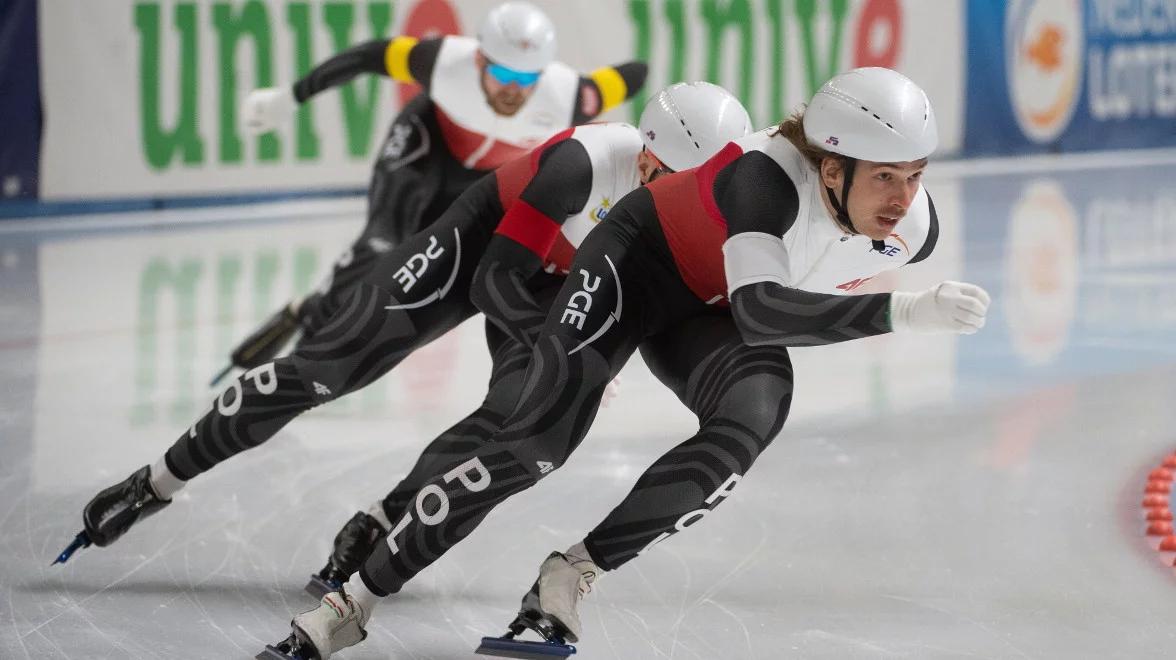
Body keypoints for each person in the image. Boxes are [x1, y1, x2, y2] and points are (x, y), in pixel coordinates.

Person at [261, 67, 990, 660]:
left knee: (752, 418)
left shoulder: (913, 228)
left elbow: (753, 310)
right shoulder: (764, 181)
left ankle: (570, 573)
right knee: (537, 445)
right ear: (831, 168)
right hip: (636, 265)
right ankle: (351, 605)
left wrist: (898, 288)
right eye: (885, 178)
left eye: (916, 176)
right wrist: (903, 311)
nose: (903, 199)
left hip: (711, 303)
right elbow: (766, 311)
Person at [55, 83, 752, 573]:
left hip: (560, 283)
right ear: (648, 159)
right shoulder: (581, 165)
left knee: (516, 415)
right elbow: (494, 283)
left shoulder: (707, 202)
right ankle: (155, 482)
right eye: (676, 185)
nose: (686, 205)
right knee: (324, 370)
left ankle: (384, 519)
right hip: (486, 251)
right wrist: (561, 346)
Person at [215, 1, 647, 383]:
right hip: (425, 149)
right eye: (501, 72)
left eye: (526, 77)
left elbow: (634, 74)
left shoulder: (572, 93)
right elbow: (367, 56)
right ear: (479, 60)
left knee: (425, 262)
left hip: (483, 178)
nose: (514, 88)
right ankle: (302, 352)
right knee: (379, 245)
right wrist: (287, 99)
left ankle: (308, 311)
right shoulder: (440, 59)